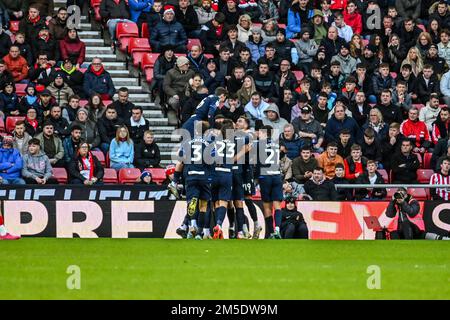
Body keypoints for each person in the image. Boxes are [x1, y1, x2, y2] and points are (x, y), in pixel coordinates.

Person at [255, 125, 283, 239]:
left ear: (265, 133)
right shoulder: (277, 144)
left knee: (267, 206)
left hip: (265, 176)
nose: (259, 134)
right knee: (277, 205)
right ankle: (277, 229)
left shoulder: (259, 144)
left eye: (260, 133)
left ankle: (271, 232)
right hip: (276, 176)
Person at [163, 56, 195, 124]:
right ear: (181, 64)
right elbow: (166, 86)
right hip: (175, 94)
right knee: (173, 102)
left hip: (187, 93)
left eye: (188, 64)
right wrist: (173, 94)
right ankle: (179, 112)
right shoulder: (170, 72)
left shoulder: (191, 72)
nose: (188, 66)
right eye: (186, 64)